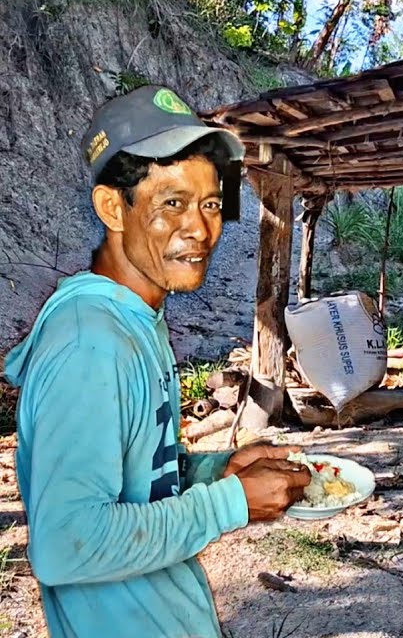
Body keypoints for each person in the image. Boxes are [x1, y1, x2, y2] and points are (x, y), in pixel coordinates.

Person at [5, 85, 312, 638]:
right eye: (171, 202)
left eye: (211, 204)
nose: (200, 228)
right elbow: (65, 545)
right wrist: (228, 504)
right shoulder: (90, 344)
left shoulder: (134, 319)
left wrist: (221, 471)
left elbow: (137, 480)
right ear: (111, 208)